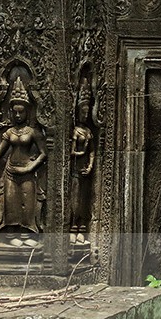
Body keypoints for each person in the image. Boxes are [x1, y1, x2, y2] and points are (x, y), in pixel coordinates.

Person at [0, 76, 47, 248]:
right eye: (14, 111)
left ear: (27, 112)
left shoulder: (33, 132)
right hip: (10, 172)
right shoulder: (9, 132)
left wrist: (31, 166)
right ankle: (11, 235)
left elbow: (43, 153)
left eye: (21, 111)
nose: (17, 115)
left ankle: (27, 233)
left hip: (28, 172)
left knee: (28, 204)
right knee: (11, 205)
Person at [69, 78, 95, 245]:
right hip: (75, 170)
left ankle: (82, 228)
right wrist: (82, 149)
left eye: (87, 112)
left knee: (85, 201)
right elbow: (72, 151)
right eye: (83, 111)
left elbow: (92, 151)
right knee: (75, 201)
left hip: (85, 171)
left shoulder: (88, 131)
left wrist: (91, 165)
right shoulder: (76, 131)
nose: (85, 115)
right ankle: (72, 227)